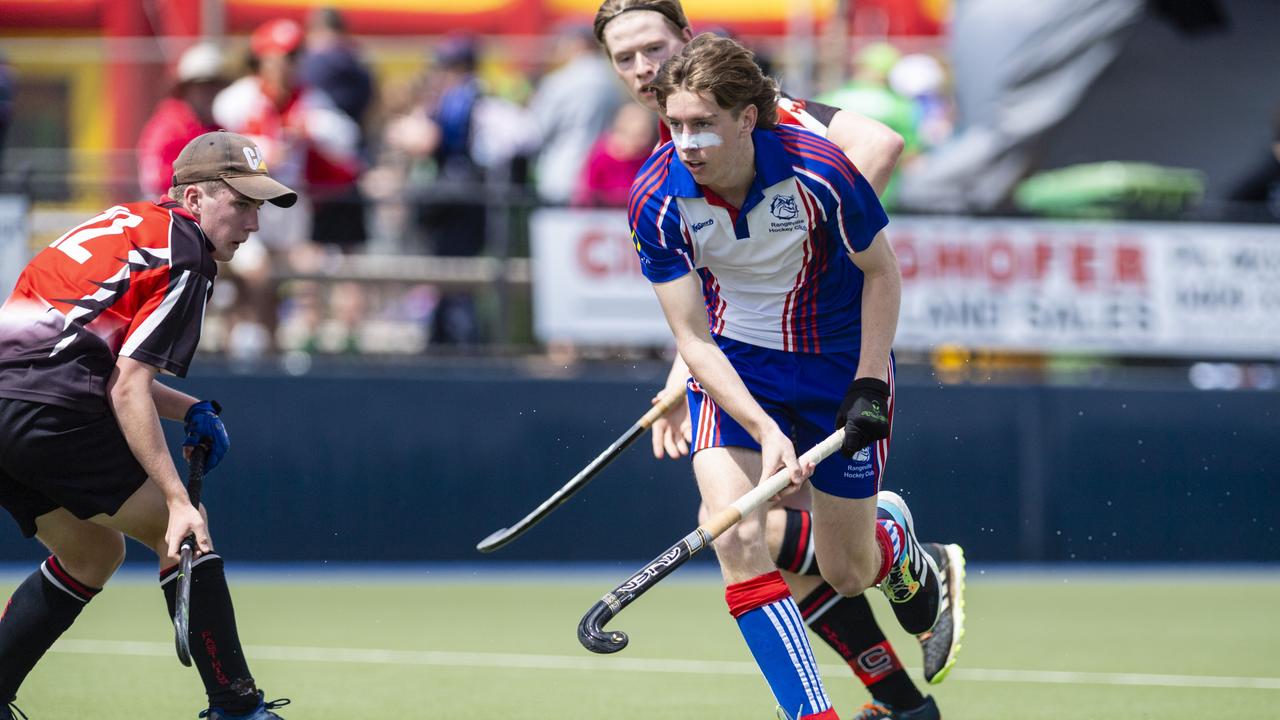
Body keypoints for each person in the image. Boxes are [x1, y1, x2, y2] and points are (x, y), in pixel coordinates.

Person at [593, 3, 963, 718]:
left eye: (652, 50)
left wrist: (865, 379)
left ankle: (896, 545)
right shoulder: (653, 197)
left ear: (743, 115)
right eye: (624, 59)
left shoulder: (816, 162)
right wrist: (751, 419)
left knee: (845, 570)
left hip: (831, 361)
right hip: (737, 361)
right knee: (736, 532)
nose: (641, 70)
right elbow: (694, 332)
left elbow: (881, 263)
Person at [0, 131, 297, 720]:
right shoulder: (187, 254)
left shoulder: (134, 223)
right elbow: (126, 385)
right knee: (182, 526)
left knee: (91, 552)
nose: (252, 224)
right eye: (240, 204)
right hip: (48, 407)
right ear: (193, 201)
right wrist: (176, 497)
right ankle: (235, 707)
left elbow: (95, 359)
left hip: (11, 401)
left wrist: (190, 409)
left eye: (257, 207)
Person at [136, 42, 228, 198]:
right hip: (170, 210)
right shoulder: (168, 126)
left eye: (214, 85)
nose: (209, 92)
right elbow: (155, 181)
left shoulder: (215, 127)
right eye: (202, 85)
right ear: (186, 89)